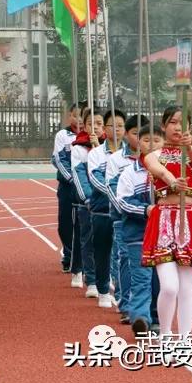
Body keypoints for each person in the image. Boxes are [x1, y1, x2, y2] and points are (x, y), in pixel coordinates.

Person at [141, 106, 192, 338]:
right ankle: (165, 334)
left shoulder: (190, 155)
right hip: (163, 220)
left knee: (186, 289)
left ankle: (184, 340)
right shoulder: (153, 155)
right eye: (172, 122)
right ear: (163, 126)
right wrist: (174, 182)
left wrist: (188, 145)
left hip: (189, 220)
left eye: (183, 123)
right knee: (170, 286)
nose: (177, 127)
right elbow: (160, 171)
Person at [115, 124, 163, 336]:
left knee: (160, 280)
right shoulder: (130, 173)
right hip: (138, 235)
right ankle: (141, 318)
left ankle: (157, 316)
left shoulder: (169, 172)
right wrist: (146, 209)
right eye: (146, 140)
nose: (151, 144)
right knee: (142, 279)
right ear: (138, 144)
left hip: (163, 237)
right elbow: (123, 202)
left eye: (156, 140)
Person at [106, 114, 148, 324]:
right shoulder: (116, 160)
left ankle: (145, 310)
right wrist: (128, 210)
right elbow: (113, 190)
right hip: (125, 219)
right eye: (136, 134)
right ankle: (125, 302)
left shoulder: (157, 161)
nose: (142, 140)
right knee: (125, 259)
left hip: (152, 222)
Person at [85, 108, 125, 309]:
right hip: (102, 210)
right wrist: (117, 193)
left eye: (120, 126)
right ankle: (102, 289)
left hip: (123, 213)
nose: (117, 130)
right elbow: (95, 180)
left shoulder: (130, 154)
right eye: (112, 126)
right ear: (104, 129)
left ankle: (121, 294)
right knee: (102, 251)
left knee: (121, 254)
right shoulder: (95, 154)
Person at [71, 107, 102, 297]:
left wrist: (98, 147)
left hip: (108, 204)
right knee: (88, 241)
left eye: (99, 124)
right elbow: (79, 175)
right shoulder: (78, 148)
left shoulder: (112, 148)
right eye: (91, 124)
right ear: (84, 125)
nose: (95, 128)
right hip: (88, 203)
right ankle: (91, 280)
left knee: (107, 243)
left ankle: (105, 278)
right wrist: (89, 199)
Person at [52, 104, 82, 279]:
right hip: (68, 185)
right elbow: (57, 159)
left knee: (82, 222)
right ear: (69, 116)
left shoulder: (93, 137)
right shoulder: (63, 135)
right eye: (75, 115)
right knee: (65, 222)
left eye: (82, 116)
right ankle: (69, 255)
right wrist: (72, 179)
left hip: (86, 187)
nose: (78, 120)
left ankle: (80, 258)